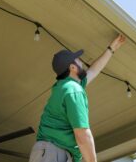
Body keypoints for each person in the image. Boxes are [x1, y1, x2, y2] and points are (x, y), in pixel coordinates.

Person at [29, 34, 126, 162]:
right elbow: (82, 135)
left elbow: (93, 71)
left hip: (49, 153)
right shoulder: (73, 90)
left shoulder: (63, 86)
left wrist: (111, 49)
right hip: (53, 154)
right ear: (73, 67)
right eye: (78, 60)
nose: (81, 61)